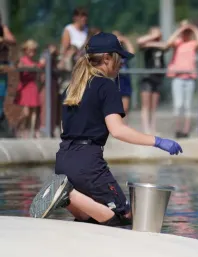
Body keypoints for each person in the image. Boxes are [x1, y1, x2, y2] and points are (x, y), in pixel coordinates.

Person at [29, 32, 182, 226]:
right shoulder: (106, 87)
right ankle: (67, 194)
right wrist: (157, 141)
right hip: (88, 163)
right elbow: (118, 130)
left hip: (63, 160)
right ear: (108, 58)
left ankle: (65, 193)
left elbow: (64, 127)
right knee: (125, 216)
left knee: (90, 218)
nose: (122, 64)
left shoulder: (72, 88)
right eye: (120, 58)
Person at [166, 21, 198, 138]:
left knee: (188, 105)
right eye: (185, 32)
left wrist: (193, 28)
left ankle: (186, 130)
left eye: (187, 32)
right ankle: (177, 129)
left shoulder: (192, 43)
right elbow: (168, 42)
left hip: (189, 78)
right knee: (178, 105)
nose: (186, 34)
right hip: (178, 78)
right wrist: (180, 30)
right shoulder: (177, 43)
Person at [137, 26, 165, 134]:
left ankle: (153, 128)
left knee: (154, 106)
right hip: (147, 77)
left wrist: (153, 42)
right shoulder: (145, 46)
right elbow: (140, 41)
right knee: (146, 105)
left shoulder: (160, 45)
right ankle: (146, 129)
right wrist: (152, 37)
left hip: (157, 77)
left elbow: (166, 45)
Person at [15, 39, 44, 139]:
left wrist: (40, 64)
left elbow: (40, 67)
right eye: (30, 50)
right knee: (26, 112)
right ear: (25, 50)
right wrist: (32, 66)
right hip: (25, 87)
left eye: (34, 50)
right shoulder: (22, 60)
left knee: (34, 112)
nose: (32, 52)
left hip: (33, 87)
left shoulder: (34, 61)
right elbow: (20, 67)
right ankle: (19, 127)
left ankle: (30, 132)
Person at [112, 30, 135, 116]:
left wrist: (125, 40)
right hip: (114, 81)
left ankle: (124, 126)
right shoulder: (112, 52)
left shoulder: (123, 52)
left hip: (124, 80)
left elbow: (132, 53)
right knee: (115, 108)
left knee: (125, 108)